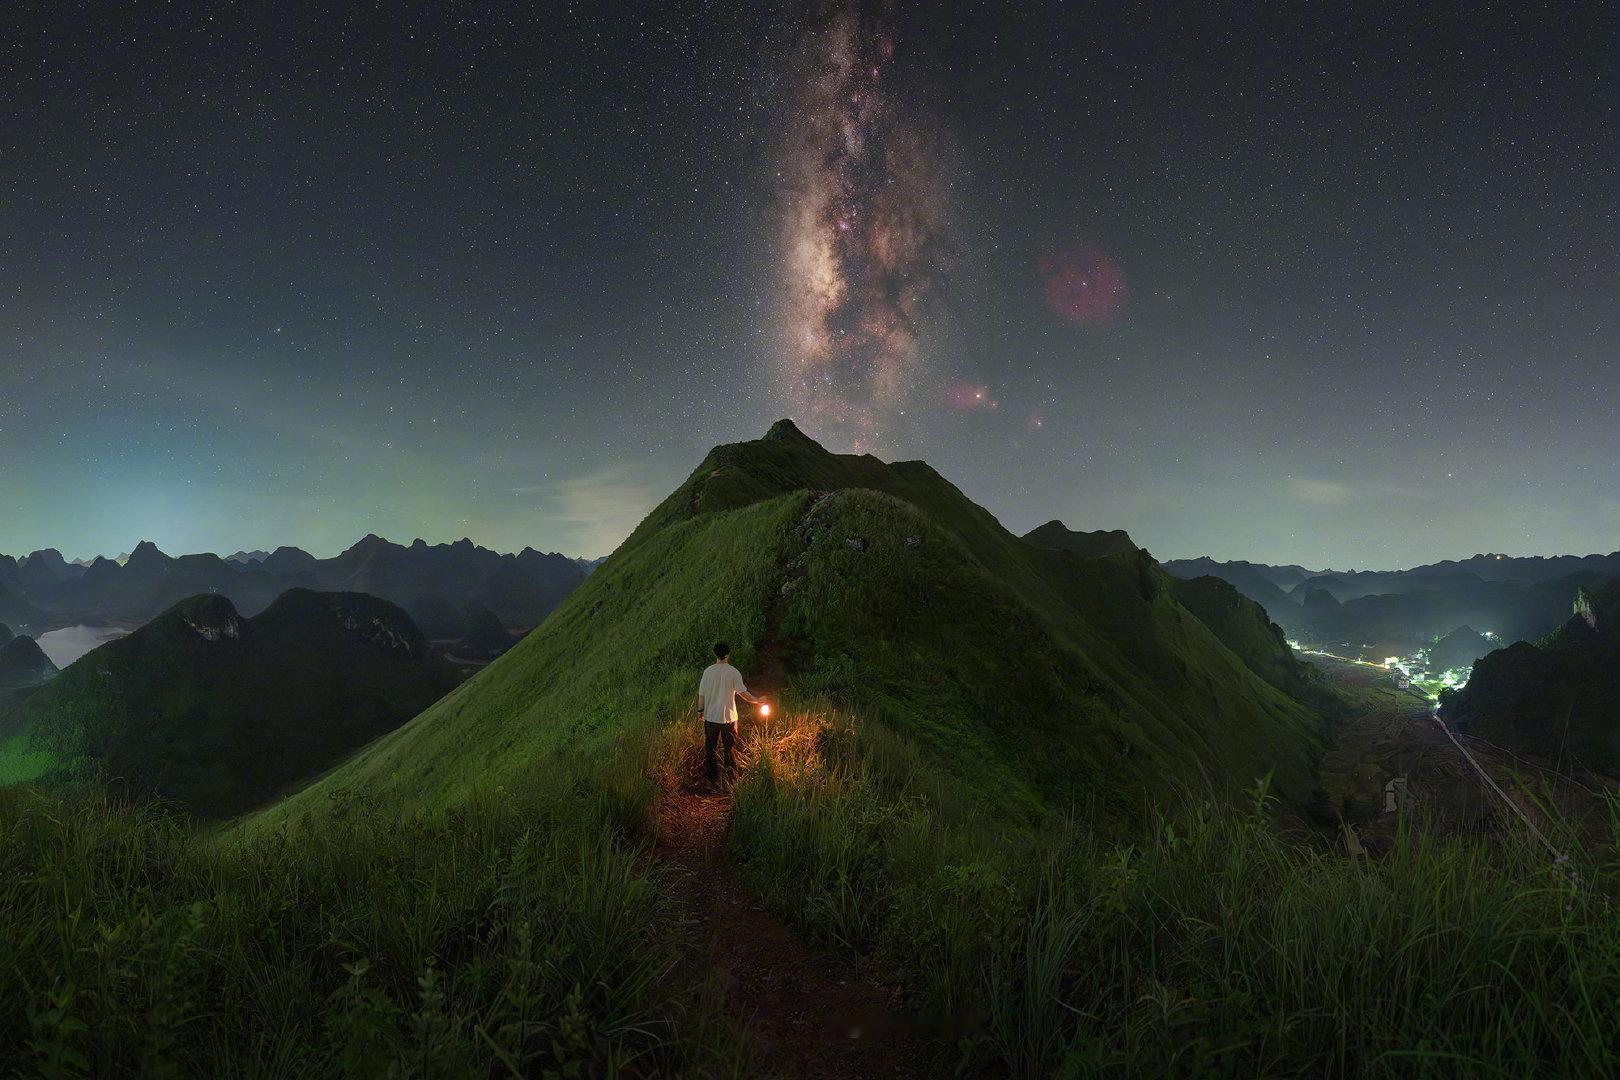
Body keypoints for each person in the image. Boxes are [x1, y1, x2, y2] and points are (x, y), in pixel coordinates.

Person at [696, 641, 766, 783]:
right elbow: (743, 693)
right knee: (729, 750)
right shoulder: (733, 672)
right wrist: (757, 700)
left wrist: (700, 711)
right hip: (728, 719)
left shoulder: (708, 672)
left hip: (710, 718)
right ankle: (729, 779)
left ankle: (712, 778)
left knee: (711, 749)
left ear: (715, 654)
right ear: (728, 654)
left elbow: (701, 695)